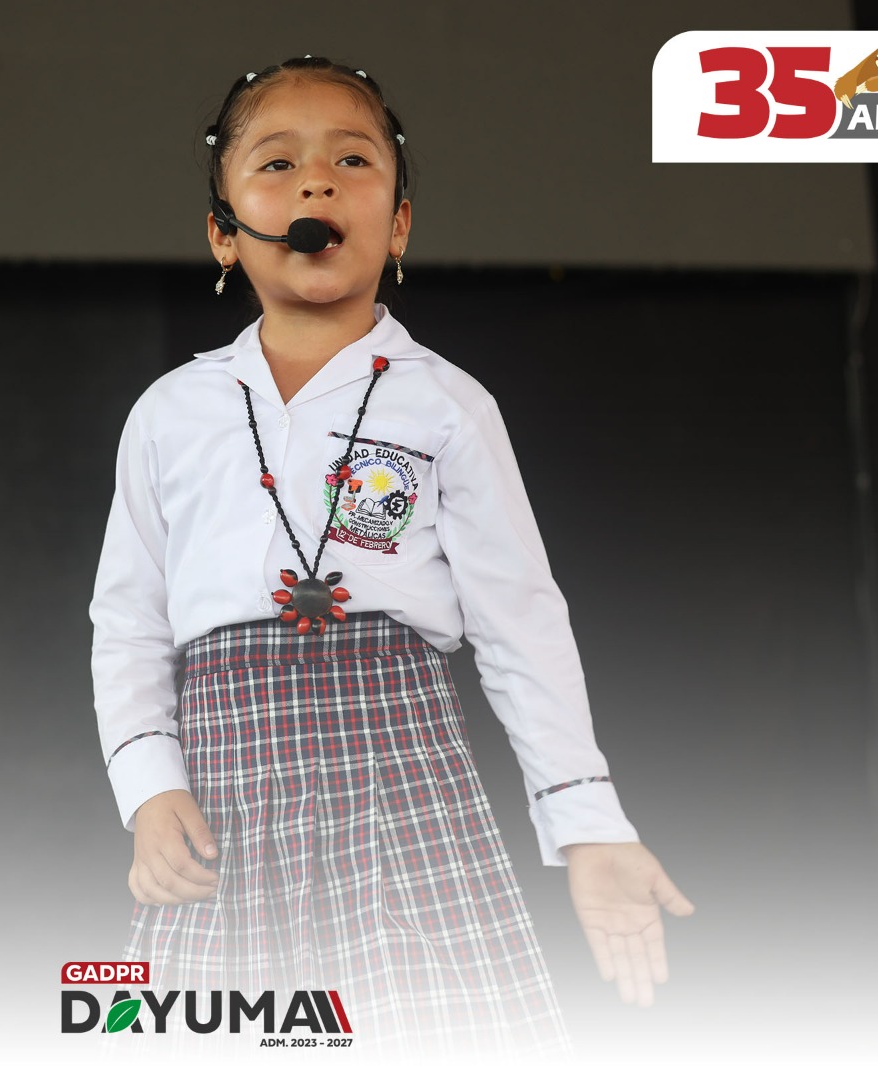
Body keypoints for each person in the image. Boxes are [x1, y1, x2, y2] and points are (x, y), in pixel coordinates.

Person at [87, 55, 694, 1064]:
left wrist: (589, 825)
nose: (316, 186)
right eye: (277, 164)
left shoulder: (446, 405)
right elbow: (128, 623)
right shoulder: (170, 413)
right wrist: (151, 788)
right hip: (225, 795)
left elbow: (520, 624)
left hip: (399, 784)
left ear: (399, 225)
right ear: (224, 235)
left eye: (351, 161)